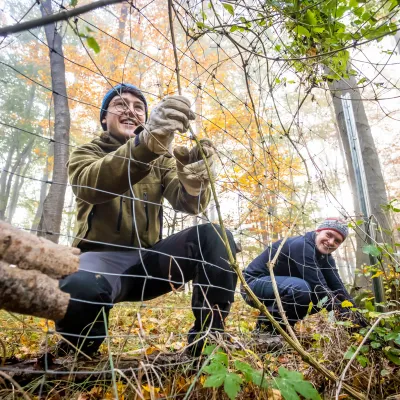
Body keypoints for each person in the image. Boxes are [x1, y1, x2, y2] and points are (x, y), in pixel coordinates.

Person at [55, 83, 238, 356]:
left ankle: (209, 343)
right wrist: (145, 146)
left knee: (215, 235)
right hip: (99, 261)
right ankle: (76, 355)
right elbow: (88, 186)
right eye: (120, 104)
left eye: (139, 107)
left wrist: (195, 181)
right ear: (104, 117)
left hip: (149, 262)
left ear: (147, 118)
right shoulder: (86, 152)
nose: (130, 110)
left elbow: (189, 204)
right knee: (78, 288)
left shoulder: (160, 160)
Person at [242, 218, 365, 333]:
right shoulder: (301, 245)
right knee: (303, 289)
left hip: (279, 288)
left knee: (318, 299)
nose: (331, 242)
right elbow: (319, 287)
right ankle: (266, 329)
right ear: (318, 231)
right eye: (328, 235)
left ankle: (282, 328)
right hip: (252, 286)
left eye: (337, 241)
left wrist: (357, 316)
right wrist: (348, 320)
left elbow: (338, 287)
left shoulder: (325, 257)